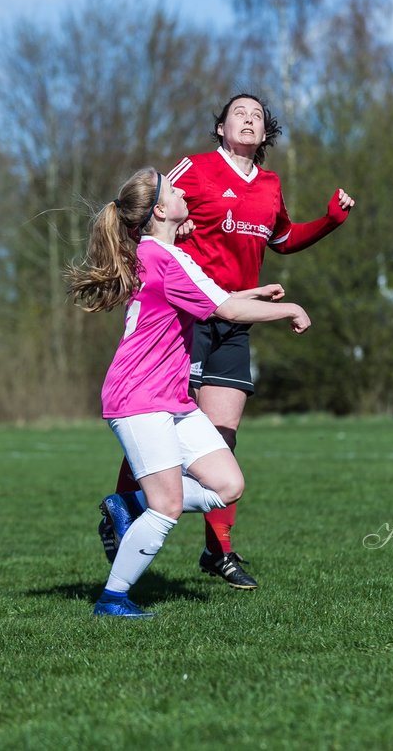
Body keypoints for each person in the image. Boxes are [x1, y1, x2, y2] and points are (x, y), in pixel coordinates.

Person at [99, 94, 355, 591]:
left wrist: (328, 222)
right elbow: (149, 210)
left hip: (237, 320)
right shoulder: (192, 171)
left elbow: (283, 241)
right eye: (239, 112)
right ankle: (125, 511)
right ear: (220, 127)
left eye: (257, 115)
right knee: (158, 420)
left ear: (264, 135)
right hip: (192, 315)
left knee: (223, 437)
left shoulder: (271, 186)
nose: (249, 118)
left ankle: (218, 551)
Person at [68, 167, 311, 618]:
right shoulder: (166, 258)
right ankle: (112, 599)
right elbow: (223, 307)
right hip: (139, 397)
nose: (183, 191)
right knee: (169, 506)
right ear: (161, 210)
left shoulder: (159, 255)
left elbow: (211, 295)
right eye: (174, 189)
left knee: (227, 485)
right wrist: (290, 309)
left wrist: (251, 292)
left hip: (171, 399)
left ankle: (128, 502)